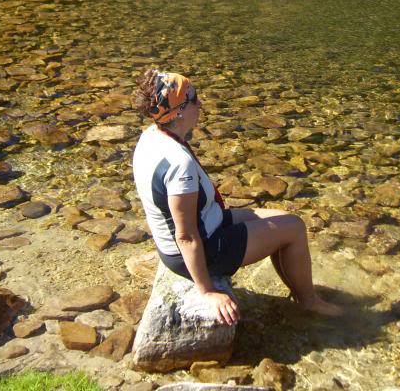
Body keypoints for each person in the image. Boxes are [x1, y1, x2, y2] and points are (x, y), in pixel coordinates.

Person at [132, 69, 342, 325]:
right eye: (194, 97)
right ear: (178, 111)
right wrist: (208, 291)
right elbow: (186, 236)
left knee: (286, 219)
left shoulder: (151, 135)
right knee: (295, 228)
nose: (200, 103)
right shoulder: (178, 164)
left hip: (209, 223)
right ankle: (308, 302)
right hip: (206, 248)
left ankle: (300, 292)